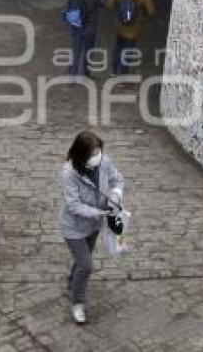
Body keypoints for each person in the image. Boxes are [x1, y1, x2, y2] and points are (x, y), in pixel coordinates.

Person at [60, 130, 124, 325]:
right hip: (74, 228)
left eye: (99, 152)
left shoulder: (104, 162)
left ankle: (72, 280)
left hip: (94, 225)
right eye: (93, 154)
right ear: (81, 155)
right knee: (87, 265)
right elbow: (73, 205)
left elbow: (117, 179)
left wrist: (115, 194)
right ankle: (78, 303)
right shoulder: (69, 173)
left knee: (83, 258)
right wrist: (97, 212)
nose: (98, 157)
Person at [105, 0, 156, 75]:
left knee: (118, 47)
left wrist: (119, 10)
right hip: (134, 27)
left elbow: (109, 4)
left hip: (120, 25)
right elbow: (151, 11)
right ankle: (123, 72)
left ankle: (114, 70)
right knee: (128, 50)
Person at [64, 0, 104, 77]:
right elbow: (102, 2)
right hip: (90, 26)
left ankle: (72, 74)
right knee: (88, 50)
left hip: (76, 23)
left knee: (76, 50)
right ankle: (86, 72)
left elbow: (69, 4)